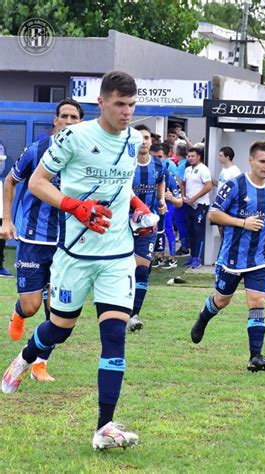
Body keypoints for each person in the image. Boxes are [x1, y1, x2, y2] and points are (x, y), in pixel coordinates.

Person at [2, 71, 152, 451]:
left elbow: (123, 185)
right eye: (120, 104)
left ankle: (104, 427)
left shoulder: (133, 140)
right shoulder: (75, 137)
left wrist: (138, 209)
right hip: (75, 255)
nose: (127, 112)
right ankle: (25, 357)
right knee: (59, 329)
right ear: (101, 102)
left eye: (132, 105)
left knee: (115, 336)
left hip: (117, 256)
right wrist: (75, 207)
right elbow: (36, 182)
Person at [0, 98, 84, 382]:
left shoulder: (86, 156)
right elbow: (10, 181)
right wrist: (7, 220)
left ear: (80, 123)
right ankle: (19, 311)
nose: (69, 122)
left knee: (58, 313)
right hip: (34, 240)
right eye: (65, 117)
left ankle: (39, 365)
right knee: (32, 305)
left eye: (75, 117)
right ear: (55, 121)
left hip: (67, 245)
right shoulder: (37, 150)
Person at [190, 140, 265, 372]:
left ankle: (256, 357)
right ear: (250, 161)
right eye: (262, 161)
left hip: (260, 258)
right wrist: (242, 222)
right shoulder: (234, 185)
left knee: (257, 301)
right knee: (222, 301)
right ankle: (204, 316)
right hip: (233, 257)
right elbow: (214, 214)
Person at [127, 124, 165, 332]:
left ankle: (134, 315)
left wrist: (162, 200)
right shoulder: (125, 163)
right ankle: (118, 308)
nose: (143, 141)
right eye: (139, 137)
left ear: (151, 142)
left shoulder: (159, 165)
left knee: (142, 269)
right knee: (124, 270)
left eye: (147, 137)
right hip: (123, 224)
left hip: (147, 225)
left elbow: (161, 182)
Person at [182, 147, 212, 268]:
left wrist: (194, 198)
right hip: (189, 203)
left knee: (198, 230)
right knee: (190, 230)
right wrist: (183, 196)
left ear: (199, 156)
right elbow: (183, 183)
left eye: (192, 156)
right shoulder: (188, 169)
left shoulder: (203, 169)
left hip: (200, 204)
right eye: (188, 156)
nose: (190, 158)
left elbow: (208, 186)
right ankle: (192, 255)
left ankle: (197, 258)